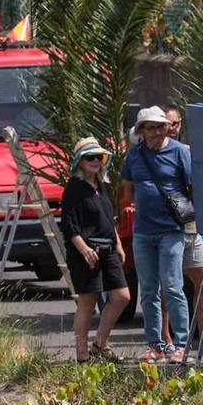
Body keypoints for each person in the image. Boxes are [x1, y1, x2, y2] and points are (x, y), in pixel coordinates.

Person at [121, 105, 194, 363]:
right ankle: (156, 345)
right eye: (149, 127)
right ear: (141, 131)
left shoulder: (179, 152)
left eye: (159, 126)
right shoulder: (134, 155)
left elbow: (191, 187)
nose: (155, 132)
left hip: (171, 230)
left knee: (173, 287)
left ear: (166, 128)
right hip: (143, 232)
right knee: (149, 290)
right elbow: (128, 188)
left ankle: (181, 344)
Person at [58, 137, 131, 362]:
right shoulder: (73, 188)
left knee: (121, 296)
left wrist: (118, 244)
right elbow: (69, 224)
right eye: (90, 157)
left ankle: (99, 343)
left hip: (107, 248)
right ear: (80, 161)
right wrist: (83, 249)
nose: (95, 161)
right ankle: (82, 355)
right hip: (86, 251)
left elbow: (108, 219)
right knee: (87, 302)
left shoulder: (101, 186)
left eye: (98, 157)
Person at [164, 105, 203, 351]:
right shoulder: (156, 154)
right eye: (167, 123)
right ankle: (165, 340)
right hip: (166, 227)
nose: (171, 128)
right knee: (167, 284)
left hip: (190, 223)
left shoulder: (187, 152)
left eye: (175, 123)